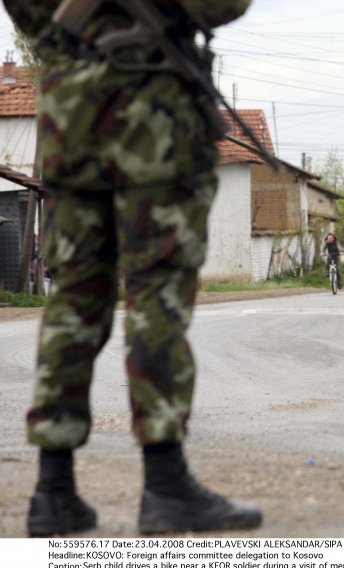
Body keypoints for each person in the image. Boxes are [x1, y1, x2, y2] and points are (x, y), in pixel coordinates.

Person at [4, 0, 262, 536]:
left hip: (70, 117)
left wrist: (67, 43)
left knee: (74, 296)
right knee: (157, 294)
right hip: (154, 121)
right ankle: (165, 487)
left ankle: (53, 493)